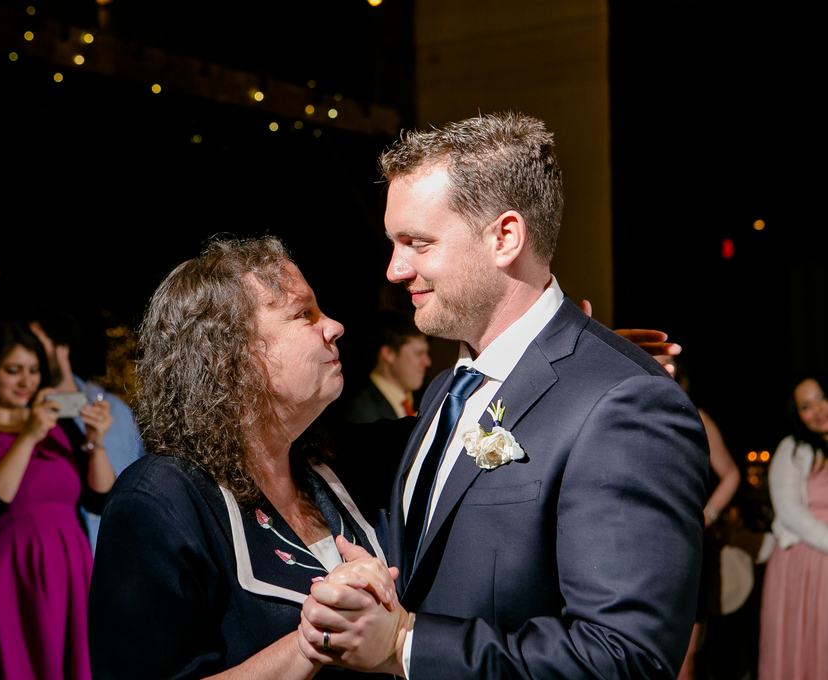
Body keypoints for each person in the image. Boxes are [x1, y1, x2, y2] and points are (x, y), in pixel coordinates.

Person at [298, 112, 709, 679]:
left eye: (417, 242)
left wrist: (405, 646)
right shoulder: (450, 386)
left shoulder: (624, 403)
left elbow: (624, 658)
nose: (395, 269)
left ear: (505, 237)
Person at [88, 236, 407, 680]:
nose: (334, 326)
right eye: (304, 314)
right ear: (230, 356)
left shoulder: (338, 464)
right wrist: (307, 643)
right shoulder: (156, 501)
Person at [0, 322, 115, 680]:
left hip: (67, 572)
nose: (26, 381)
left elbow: (100, 499)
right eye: (13, 371)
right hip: (0, 577)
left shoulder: (62, 427)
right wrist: (27, 437)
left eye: (33, 371)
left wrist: (97, 443)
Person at [27, 311, 144, 552]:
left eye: (35, 345)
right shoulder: (25, 419)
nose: (30, 355)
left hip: (117, 553)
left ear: (62, 348)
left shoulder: (116, 411)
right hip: (58, 553)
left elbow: (139, 486)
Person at [672, 361, 741, 680]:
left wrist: (707, 515)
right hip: (632, 543)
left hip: (686, 546)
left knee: (685, 662)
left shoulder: (695, 416)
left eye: (668, 367)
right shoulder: (621, 411)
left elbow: (731, 474)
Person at [759, 371, 828, 680]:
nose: (818, 410)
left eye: (822, 398)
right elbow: (788, 511)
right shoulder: (792, 449)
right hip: (803, 560)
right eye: (805, 406)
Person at [340, 310, 431, 423]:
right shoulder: (361, 413)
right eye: (418, 353)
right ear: (389, 354)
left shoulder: (416, 402)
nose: (427, 362)